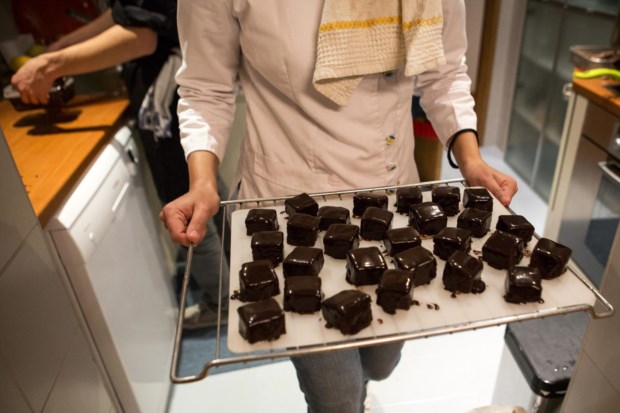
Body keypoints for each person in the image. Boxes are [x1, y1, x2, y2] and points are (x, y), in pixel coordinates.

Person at [160, 0, 518, 411]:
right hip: (292, 209)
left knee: (380, 363)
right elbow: (206, 88)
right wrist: (203, 183)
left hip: (394, 199)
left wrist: (471, 160)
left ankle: (364, 389)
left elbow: (445, 72)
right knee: (337, 398)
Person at [11, 0, 229, 329]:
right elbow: (125, 12)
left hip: (168, 97)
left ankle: (221, 303)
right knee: (206, 190)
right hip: (177, 90)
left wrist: (51, 64)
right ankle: (235, 280)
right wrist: (61, 48)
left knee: (187, 204)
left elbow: (143, 36)